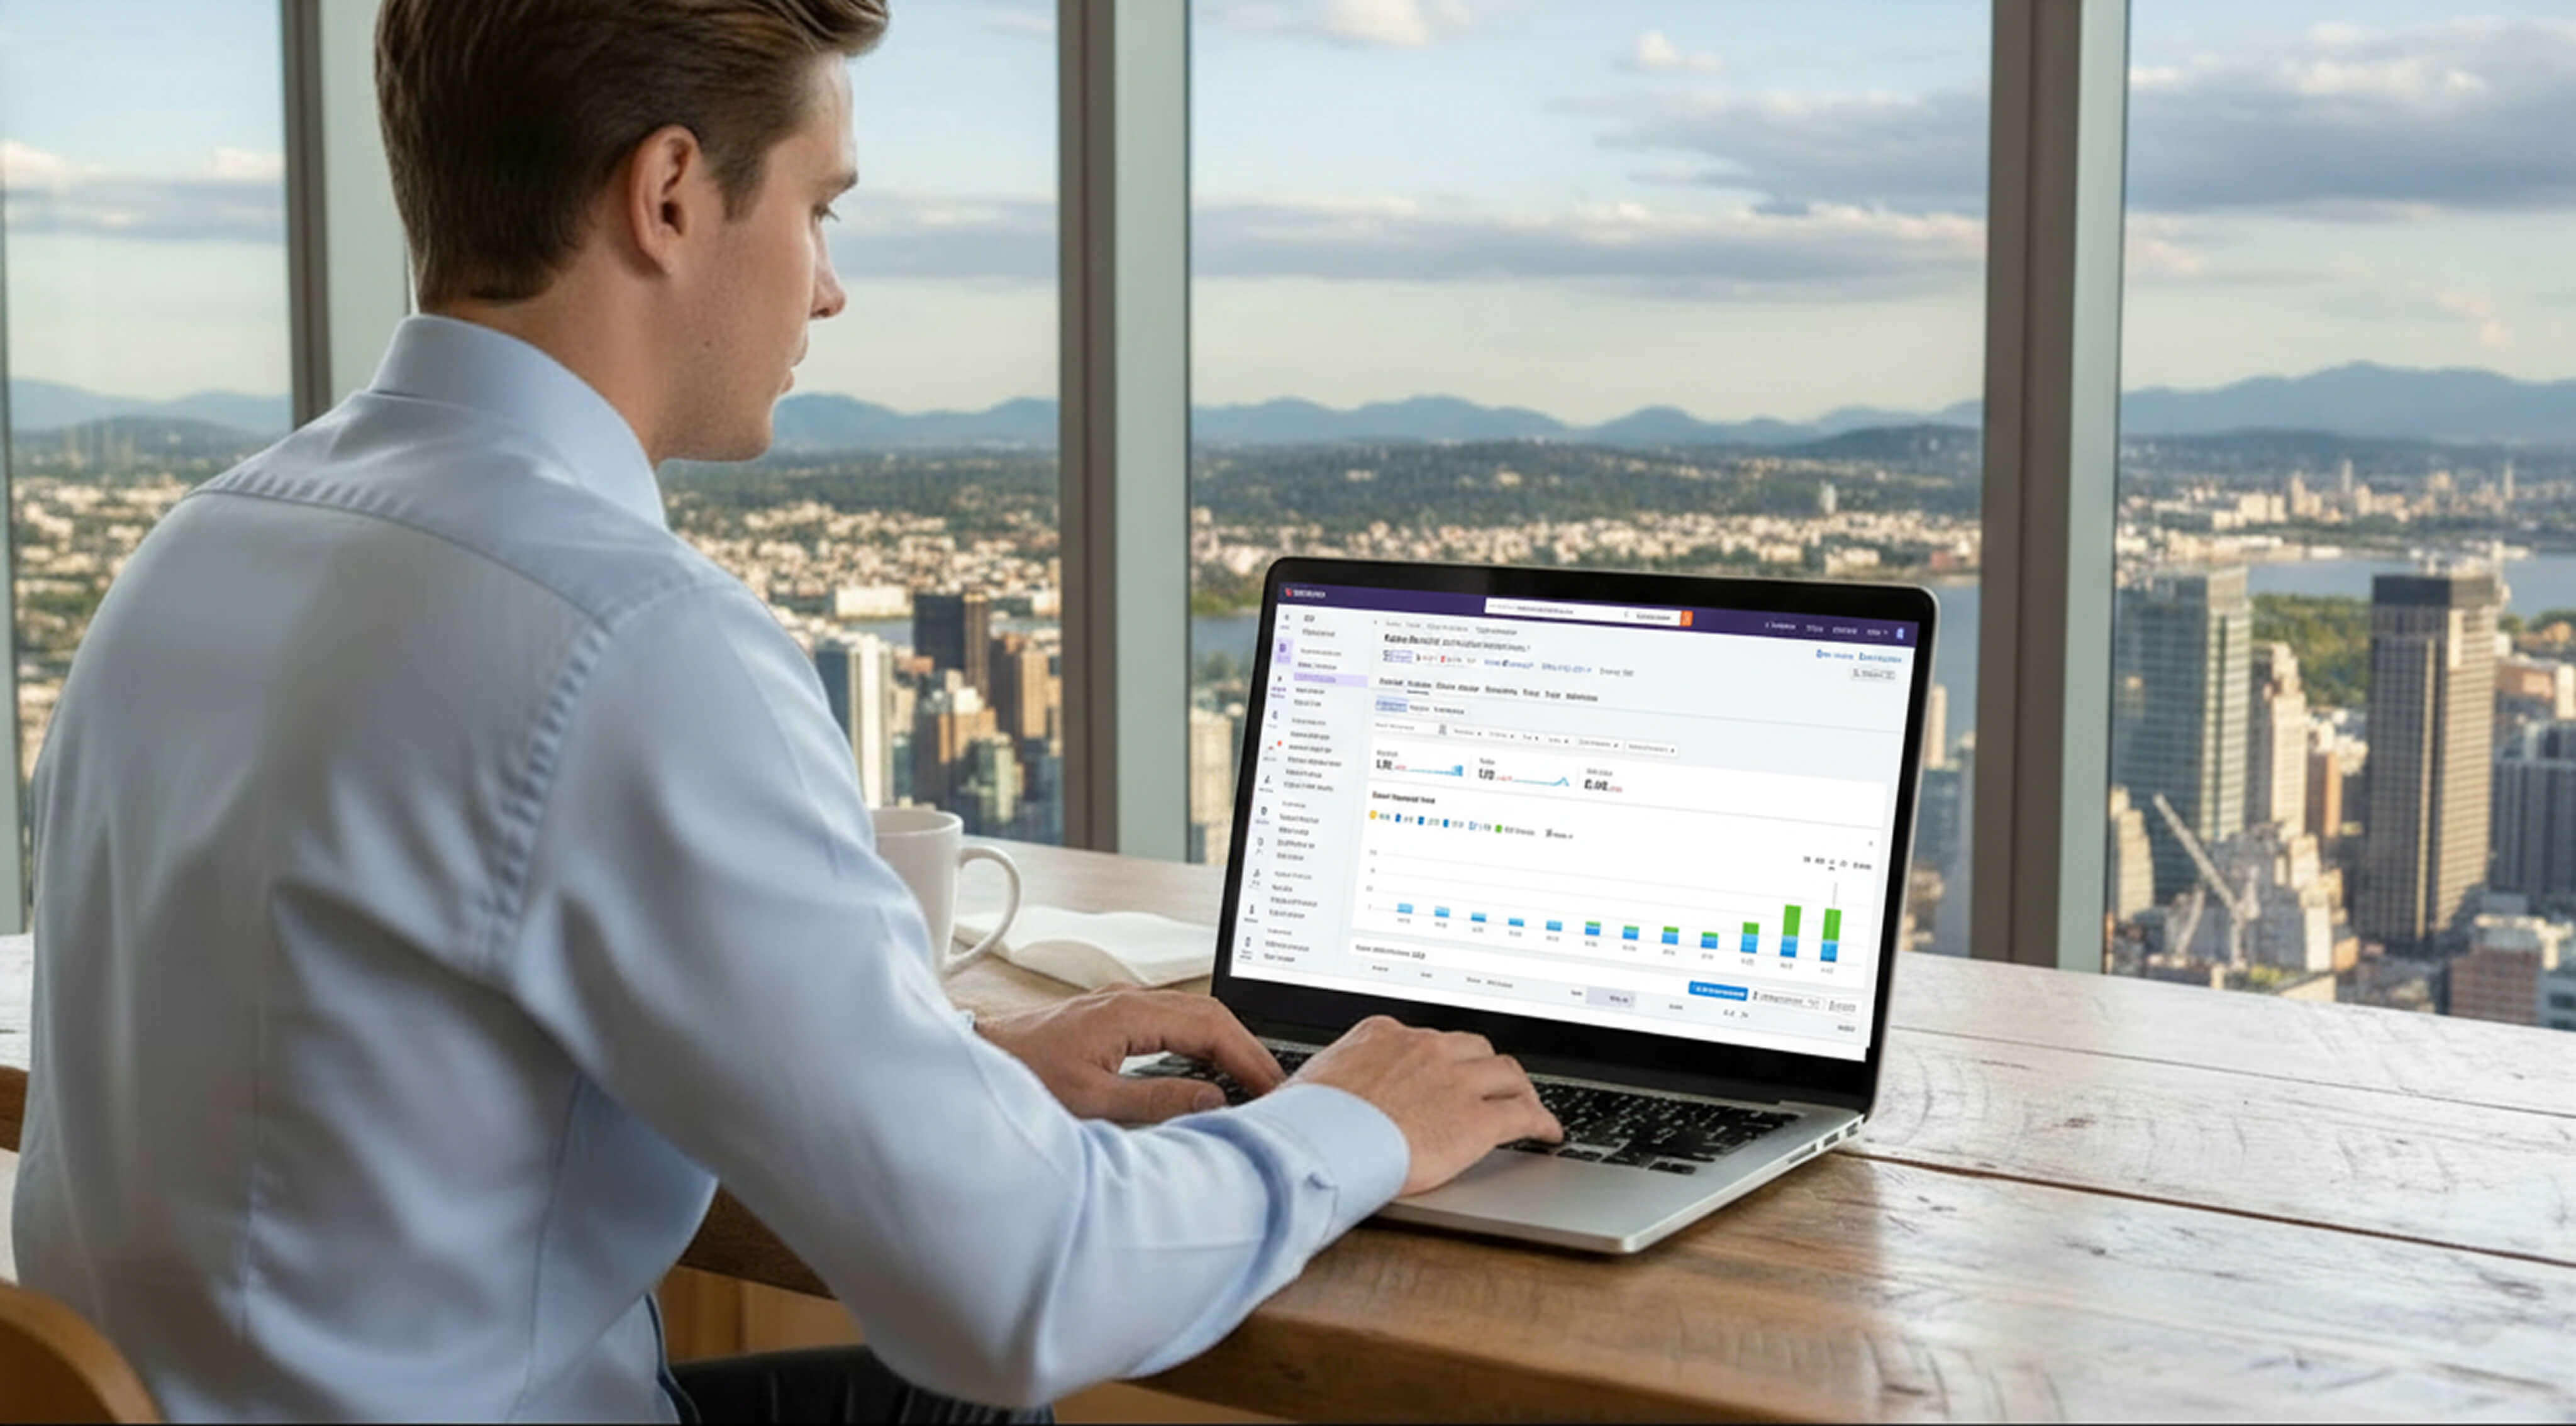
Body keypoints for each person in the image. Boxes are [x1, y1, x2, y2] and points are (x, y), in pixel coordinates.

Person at [7, 1, 1561, 1421]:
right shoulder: (625, 636)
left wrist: (945, 1071)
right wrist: (1358, 1117)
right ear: (670, 193)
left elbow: (410, 1050)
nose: (828, 283)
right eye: (818, 208)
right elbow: (1017, 1291)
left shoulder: (201, 547)